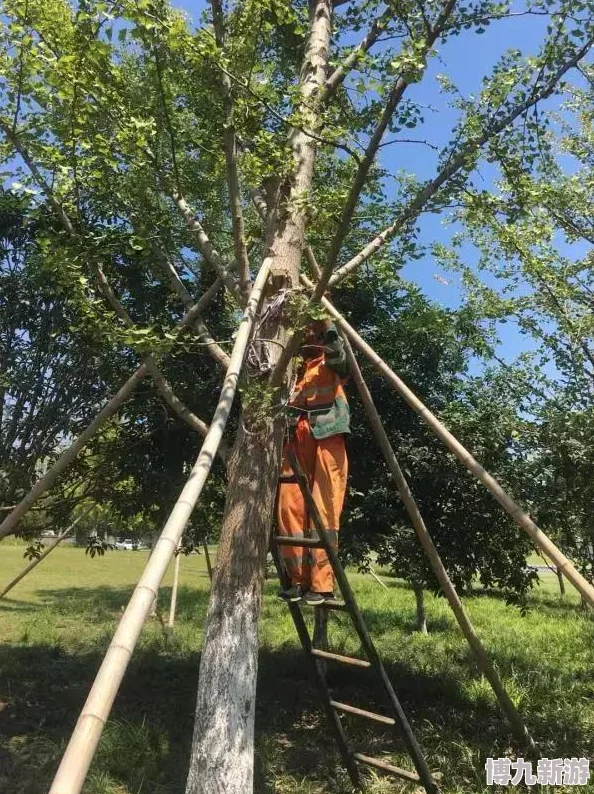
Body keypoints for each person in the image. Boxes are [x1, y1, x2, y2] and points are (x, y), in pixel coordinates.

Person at [277, 317, 350, 605]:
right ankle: (298, 580)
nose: (308, 334)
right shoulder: (293, 369)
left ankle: (321, 584)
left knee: (324, 506)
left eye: (312, 330)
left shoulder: (331, 358)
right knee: (289, 506)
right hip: (297, 438)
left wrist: (327, 322)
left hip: (328, 436)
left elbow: (341, 358)